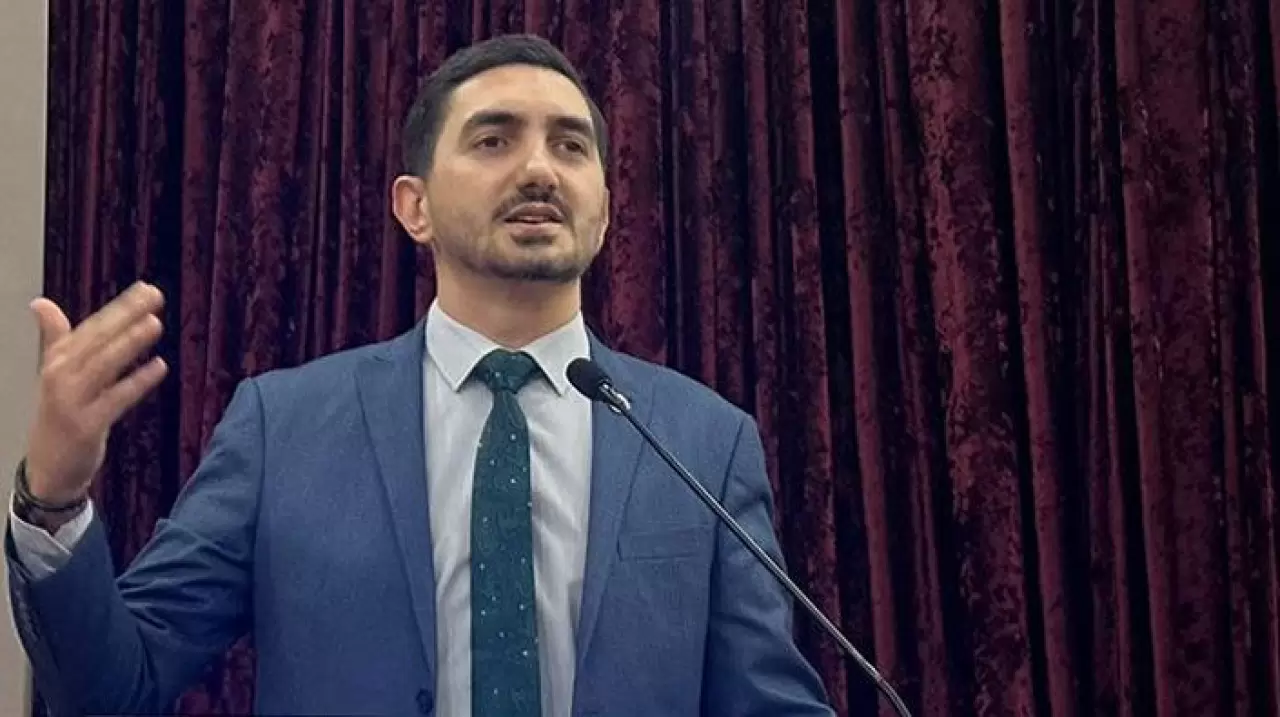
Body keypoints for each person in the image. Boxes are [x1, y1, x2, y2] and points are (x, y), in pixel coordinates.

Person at [6, 34, 834, 717]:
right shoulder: (281, 427)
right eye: (493, 139)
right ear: (415, 206)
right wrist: (55, 497)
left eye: (570, 145)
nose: (540, 169)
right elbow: (118, 686)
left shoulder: (703, 440)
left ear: (607, 208)